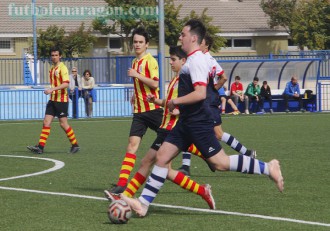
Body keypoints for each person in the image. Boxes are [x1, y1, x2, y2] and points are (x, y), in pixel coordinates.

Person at [119, 19, 284, 217]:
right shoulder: (196, 58)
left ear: (194, 38)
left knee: (219, 163)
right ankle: (143, 204)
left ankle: (269, 167)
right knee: (161, 157)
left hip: (198, 122)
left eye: (183, 34)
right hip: (186, 122)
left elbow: (200, 94)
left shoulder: (196, 61)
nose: (180, 37)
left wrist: (175, 102)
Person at [104, 46, 215, 210]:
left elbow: (189, 104)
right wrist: (155, 101)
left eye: (173, 59)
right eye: (170, 59)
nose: (170, 62)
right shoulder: (175, 80)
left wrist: (178, 110)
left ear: (184, 61)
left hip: (171, 129)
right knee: (166, 171)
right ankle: (202, 190)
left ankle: (125, 196)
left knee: (147, 162)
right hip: (165, 127)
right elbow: (169, 103)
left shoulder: (184, 82)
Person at [178, 33, 255, 176]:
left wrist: (212, 89)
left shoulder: (204, 58)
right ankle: (186, 166)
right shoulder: (206, 59)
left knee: (217, 133)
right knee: (190, 129)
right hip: (207, 98)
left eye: (201, 42)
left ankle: (247, 154)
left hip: (208, 100)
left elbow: (223, 77)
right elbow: (222, 76)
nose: (198, 44)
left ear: (206, 45)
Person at [108, 27, 163, 194]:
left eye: (141, 42)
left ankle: (204, 152)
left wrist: (137, 75)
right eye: (135, 42)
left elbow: (155, 84)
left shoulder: (150, 61)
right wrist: (134, 95)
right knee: (131, 146)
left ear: (147, 44)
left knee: (178, 138)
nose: (137, 45)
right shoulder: (134, 62)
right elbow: (140, 85)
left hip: (153, 110)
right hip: (139, 112)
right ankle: (122, 183)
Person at [27, 46, 80, 154]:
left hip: (61, 100)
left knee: (63, 124)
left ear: (60, 56)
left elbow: (66, 83)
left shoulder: (63, 68)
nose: (54, 57)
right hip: (52, 99)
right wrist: (52, 91)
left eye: (56, 55)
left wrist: (52, 89)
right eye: (52, 55)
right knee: (46, 122)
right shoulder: (52, 69)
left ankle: (75, 145)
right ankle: (40, 147)